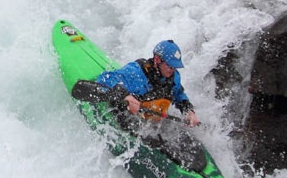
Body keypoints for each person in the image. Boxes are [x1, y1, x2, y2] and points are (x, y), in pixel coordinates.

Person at [71, 39, 200, 127]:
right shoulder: (136, 73)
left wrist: (189, 112)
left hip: (150, 120)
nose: (172, 70)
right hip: (127, 119)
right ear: (157, 60)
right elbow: (106, 78)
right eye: (170, 66)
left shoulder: (173, 77)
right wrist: (126, 96)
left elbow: (179, 94)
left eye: (175, 67)